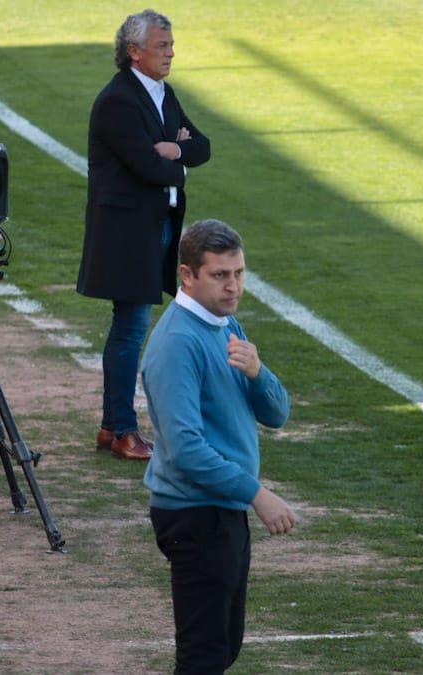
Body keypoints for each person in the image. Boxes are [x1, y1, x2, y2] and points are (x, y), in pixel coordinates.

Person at [142, 220, 295, 673]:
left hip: (221, 510)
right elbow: (186, 450)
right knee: (204, 656)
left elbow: (277, 414)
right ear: (187, 275)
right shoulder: (177, 343)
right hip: (195, 514)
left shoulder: (225, 324)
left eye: (239, 273)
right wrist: (256, 494)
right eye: (220, 275)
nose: (233, 287)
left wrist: (258, 373)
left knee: (224, 647)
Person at [77, 9, 212, 461]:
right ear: (134, 52)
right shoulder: (118, 101)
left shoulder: (162, 93)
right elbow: (147, 167)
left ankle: (112, 426)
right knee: (131, 329)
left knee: (131, 327)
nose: (170, 53)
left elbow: (201, 147)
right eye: (161, 46)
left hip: (155, 225)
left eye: (171, 45)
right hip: (128, 232)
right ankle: (122, 430)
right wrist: (178, 163)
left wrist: (175, 149)